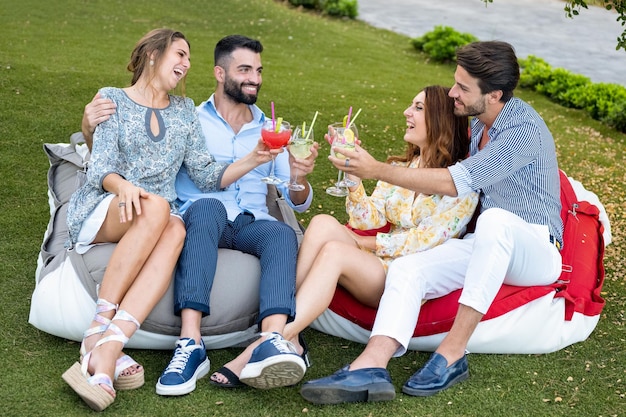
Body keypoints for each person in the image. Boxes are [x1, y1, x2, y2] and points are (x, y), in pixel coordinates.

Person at [300, 40, 563, 405]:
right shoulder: (480, 127)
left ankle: (452, 354)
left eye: (463, 88)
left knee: (496, 222)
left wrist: (376, 169)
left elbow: (456, 182)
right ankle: (370, 367)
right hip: (489, 243)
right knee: (408, 269)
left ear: (494, 95)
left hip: (535, 248)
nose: (453, 93)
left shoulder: (521, 129)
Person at [82, 34, 319, 395]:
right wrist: (89, 130)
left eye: (258, 70)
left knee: (281, 234)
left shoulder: (265, 128)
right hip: (194, 217)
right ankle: (188, 341)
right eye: (245, 69)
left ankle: (271, 339)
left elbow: (290, 196)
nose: (255, 77)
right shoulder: (191, 115)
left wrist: (291, 172)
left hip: (240, 221)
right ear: (220, 73)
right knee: (202, 207)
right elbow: (111, 157)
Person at [278, 85, 478, 360]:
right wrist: (353, 179)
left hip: (402, 274)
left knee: (335, 252)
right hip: (376, 261)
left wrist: (365, 242)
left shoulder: (461, 184)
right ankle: (284, 324)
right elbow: (367, 220)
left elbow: (425, 241)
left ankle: (280, 336)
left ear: (441, 119)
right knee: (323, 222)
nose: (407, 112)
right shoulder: (405, 169)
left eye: (418, 108)